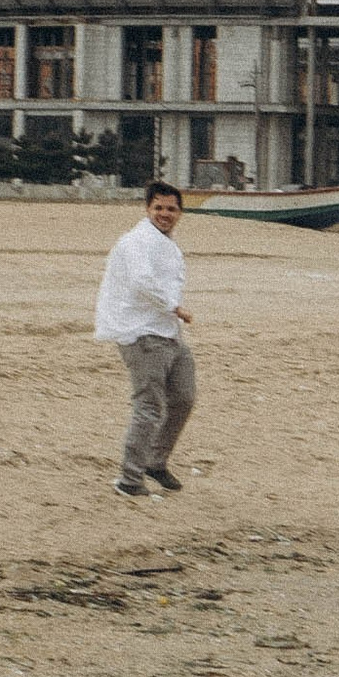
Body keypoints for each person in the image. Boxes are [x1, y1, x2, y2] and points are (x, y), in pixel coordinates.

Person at [95, 181, 195, 496]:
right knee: (149, 406)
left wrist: (172, 313)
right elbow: (142, 282)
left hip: (167, 331)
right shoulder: (137, 241)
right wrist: (174, 306)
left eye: (171, 209)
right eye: (159, 208)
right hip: (140, 333)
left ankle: (155, 460)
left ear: (180, 212)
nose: (165, 214)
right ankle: (129, 479)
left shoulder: (167, 243)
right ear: (148, 209)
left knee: (183, 397)